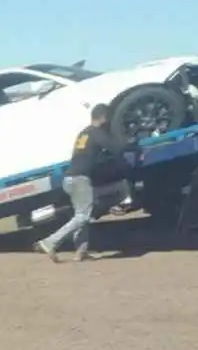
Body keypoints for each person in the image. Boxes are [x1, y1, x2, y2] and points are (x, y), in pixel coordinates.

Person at [38, 104, 131, 261]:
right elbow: (116, 148)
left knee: (81, 214)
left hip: (69, 179)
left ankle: (81, 251)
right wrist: (133, 143)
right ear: (104, 118)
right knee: (82, 216)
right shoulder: (97, 133)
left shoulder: (84, 133)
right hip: (80, 179)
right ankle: (49, 242)